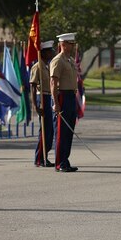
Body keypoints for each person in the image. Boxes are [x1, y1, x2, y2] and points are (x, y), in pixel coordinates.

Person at [50, 33, 79, 172]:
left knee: (69, 131)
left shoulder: (70, 60)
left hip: (71, 97)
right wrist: (55, 102)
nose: (73, 46)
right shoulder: (58, 60)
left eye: (73, 44)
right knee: (61, 131)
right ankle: (59, 163)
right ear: (64, 44)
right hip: (62, 96)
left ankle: (65, 160)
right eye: (71, 44)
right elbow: (53, 84)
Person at [30, 40, 55, 167]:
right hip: (42, 98)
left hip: (49, 97)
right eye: (49, 51)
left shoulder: (47, 65)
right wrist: (35, 105)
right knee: (44, 130)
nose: (51, 53)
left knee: (50, 130)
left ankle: (44, 156)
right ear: (44, 53)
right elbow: (33, 87)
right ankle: (39, 158)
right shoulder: (37, 67)